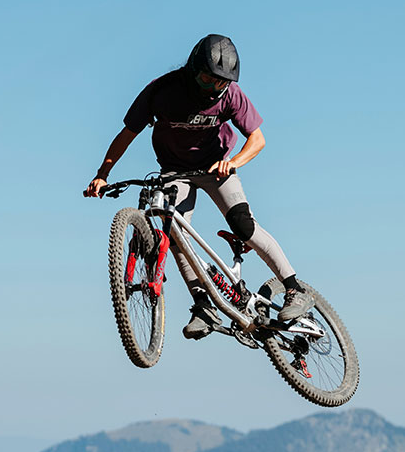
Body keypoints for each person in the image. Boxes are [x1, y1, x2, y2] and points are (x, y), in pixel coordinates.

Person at [84, 34, 313, 339]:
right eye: (208, 79)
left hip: (216, 168)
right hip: (175, 172)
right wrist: (103, 174)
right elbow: (127, 134)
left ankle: (295, 289)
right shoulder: (162, 91)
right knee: (176, 238)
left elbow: (257, 140)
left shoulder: (231, 94)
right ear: (193, 69)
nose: (214, 88)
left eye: (221, 82)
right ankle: (203, 305)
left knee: (243, 225)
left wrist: (234, 163)